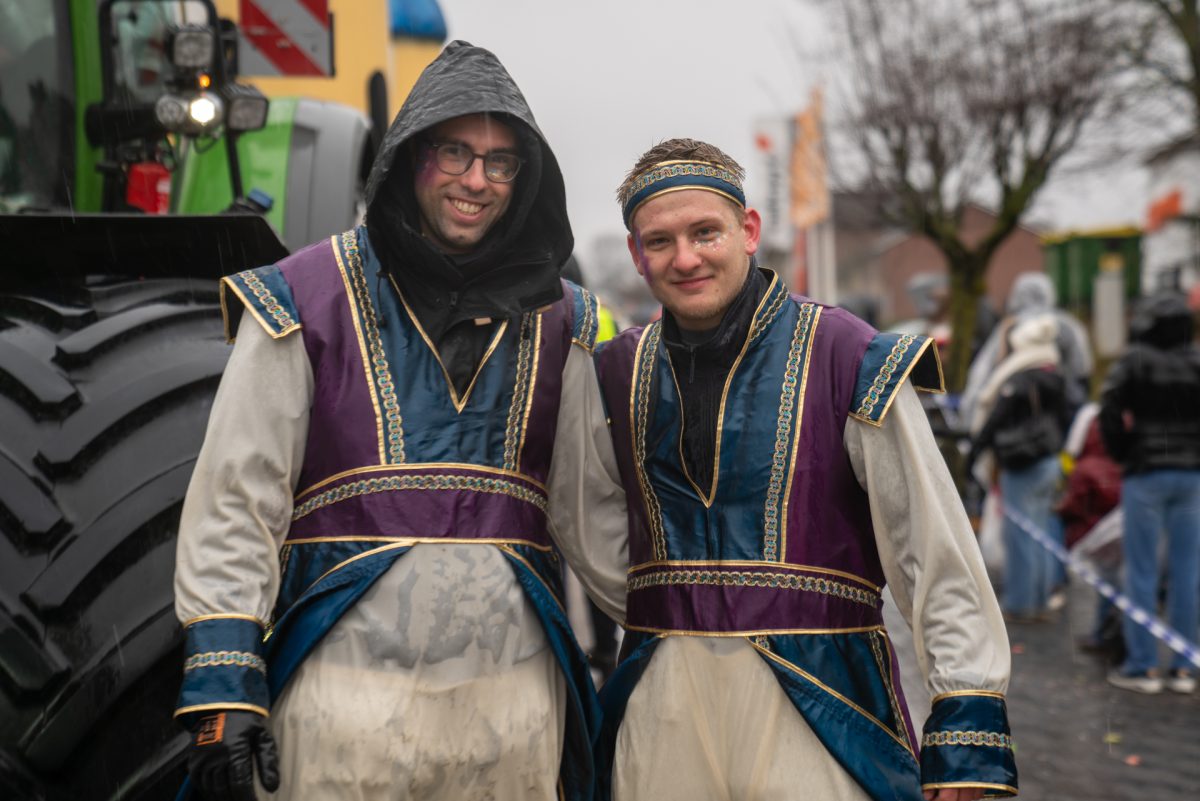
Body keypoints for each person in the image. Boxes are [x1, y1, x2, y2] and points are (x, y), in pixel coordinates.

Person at [172, 41, 627, 801]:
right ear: (412, 156)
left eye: (501, 161)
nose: (476, 179)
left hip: (511, 727)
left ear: (524, 179)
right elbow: (236, 499)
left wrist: (721, 627)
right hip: (339, 726)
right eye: (455, 151)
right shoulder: (300, 298)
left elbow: (594, 519)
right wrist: (224, 682)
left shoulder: (567, 324)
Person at [594, 139, 1016, 801]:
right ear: (635, 255)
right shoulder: (614, 371)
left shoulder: (847, 354)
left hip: (825, 707)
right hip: (662, 712)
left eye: (706, 232)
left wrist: (965, 713)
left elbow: (931, 545)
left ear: (749, 230)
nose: (685, 258)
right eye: (660, 240)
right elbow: (587, 524)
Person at [1100, 291, 1200, 695]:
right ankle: (1184, 665)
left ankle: (1142, 666)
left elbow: (1108, 408)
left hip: (1145, 472)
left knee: (1140, 571)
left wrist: (1123, 451)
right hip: (1192, 475)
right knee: (1187, 572)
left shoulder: (1135, 359)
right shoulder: (1197, 360)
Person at [967, 315, 1071, 622]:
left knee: (1020, 537)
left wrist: (975, 452)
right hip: (1049, 460)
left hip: (1021, 463)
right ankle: (1040, 598)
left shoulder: (1018, 379)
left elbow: (995, 419)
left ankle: (1021, 603)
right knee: (1039, 533)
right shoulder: (1055, 375)